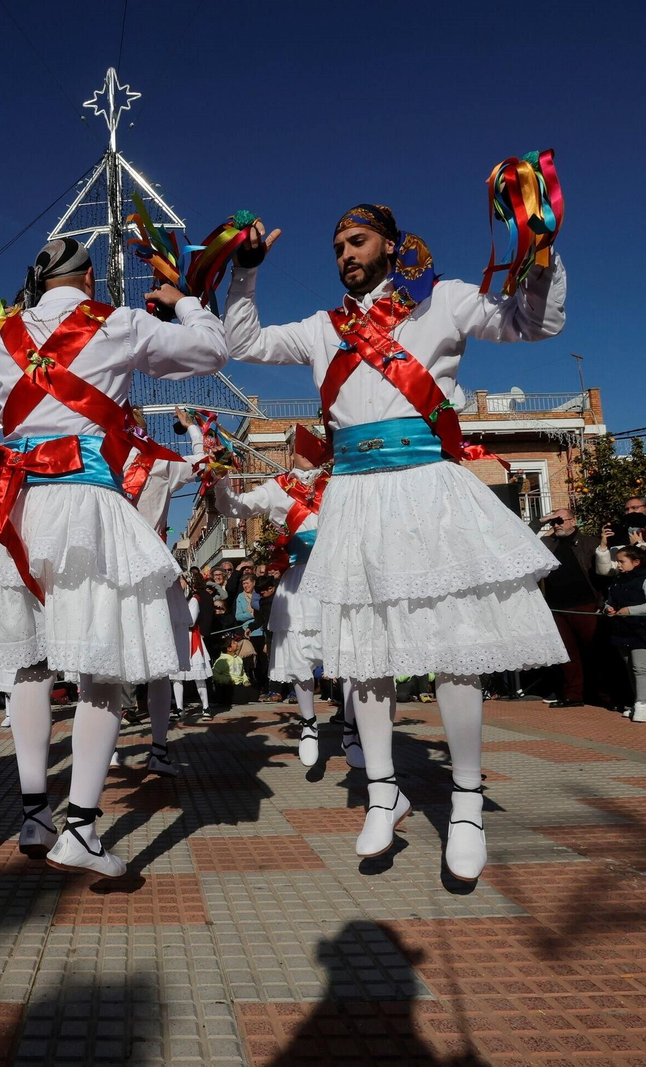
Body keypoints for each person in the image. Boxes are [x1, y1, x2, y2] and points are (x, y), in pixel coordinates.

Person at [226, 200, 566, 883]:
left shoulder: (443, 301)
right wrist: (245, 274)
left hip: (427, 487)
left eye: (357, 240)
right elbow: (245, 343)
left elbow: (533, 323)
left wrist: (541, 260)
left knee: (454, 648)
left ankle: (465, 801)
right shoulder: (324, 329)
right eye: (338, 247)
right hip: (355, 493)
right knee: (365, 656)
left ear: (390, 242)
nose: (346, 254)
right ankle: (383, 791)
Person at [0, 235, 226, 877]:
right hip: (87, 505)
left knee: (29, 666)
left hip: (18, 510)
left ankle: (35, 812)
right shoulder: (120, 322)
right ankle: (83, 828)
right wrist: (186, 302)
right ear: (89, 279)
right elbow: (211, 350)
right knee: (103, 667)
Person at [212, 442, 331, 766]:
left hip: (337, 574)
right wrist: (221, 473)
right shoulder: (278, 489)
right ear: (292, 451)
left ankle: (352, 727)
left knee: (348, 654)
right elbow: (233, 507)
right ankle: (308, 723)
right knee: (300, 654)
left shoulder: (337, 482)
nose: (311, 448)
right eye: (304, 443)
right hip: (300, 580)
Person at [120, 408, 207, 775]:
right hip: (153, 570)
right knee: (158, 670)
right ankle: (158, 749)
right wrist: (194, 430)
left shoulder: (94, 456)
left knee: (108, 666)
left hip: (116, 570)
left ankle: (107, 749)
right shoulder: (160, 462)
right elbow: (203, 461)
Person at [538, 509, 605, 708]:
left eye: (560, 520)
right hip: (557, 607)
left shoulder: (589, 542)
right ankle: (573, 694)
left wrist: (600, 603)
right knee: (567, 653)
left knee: (596, 650)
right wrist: (543, 520)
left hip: (586, 605)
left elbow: (602, 574)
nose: (557, 525)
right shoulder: (548, 544)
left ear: (574, 521)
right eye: (553, 522)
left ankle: (606, 694)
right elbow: (524, 540)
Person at [602, 545, 646, 723]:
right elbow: (608, 601)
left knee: (640, 668)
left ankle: (643, 703)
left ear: (636, 562)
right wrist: (608, 608)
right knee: (630, 668)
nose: (618, 565)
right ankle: (639, 702)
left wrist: (630, 610)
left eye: (622, 561)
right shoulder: (617, 582)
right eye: (617, 561)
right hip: (621, 630)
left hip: (641, 631)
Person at [170, 571, 214, 720]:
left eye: (181, 581)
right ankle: (179, 708)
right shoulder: (176, 600)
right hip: (178, 637)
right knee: (176, 676)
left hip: (190, 638)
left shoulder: (194, 599)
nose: (178, 584)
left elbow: (191, 621)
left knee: (198, 675)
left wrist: (174, 619)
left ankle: (206, 706)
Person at [212, 633, 249, 709]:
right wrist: (226, 680)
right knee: (237, 697)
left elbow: (242, 672)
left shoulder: (239, 659)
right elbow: (214, 674)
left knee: (253, 694)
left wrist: (245, 681)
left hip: (239, 684)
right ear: (229, 649)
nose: (236, 643)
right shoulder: (222, 660)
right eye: (233, 643)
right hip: (228, 685)